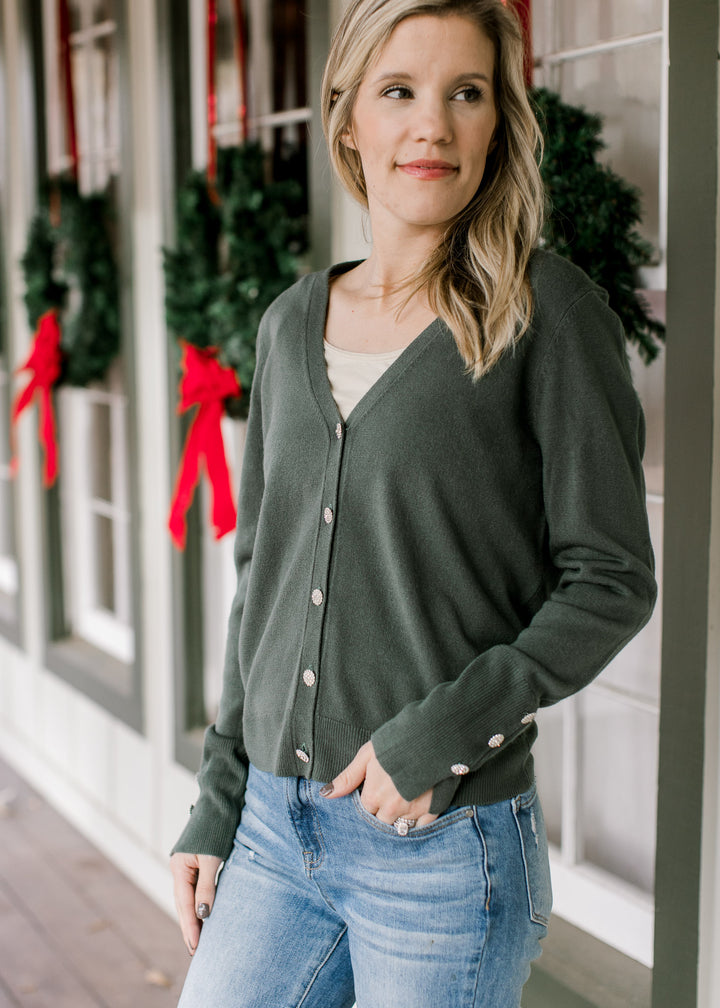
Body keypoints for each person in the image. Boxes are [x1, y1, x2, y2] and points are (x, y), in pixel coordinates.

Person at [170, 1, 657, 1005]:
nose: (432, 124)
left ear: (497, 124)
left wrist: (443, 734)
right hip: (271, 832)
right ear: (349, 119)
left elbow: (611, 579)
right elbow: (261, 578)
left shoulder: (547, 314)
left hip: (439, 845)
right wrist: (220, 797)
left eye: (465, 93)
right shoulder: (289, 322)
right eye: (399, 91)